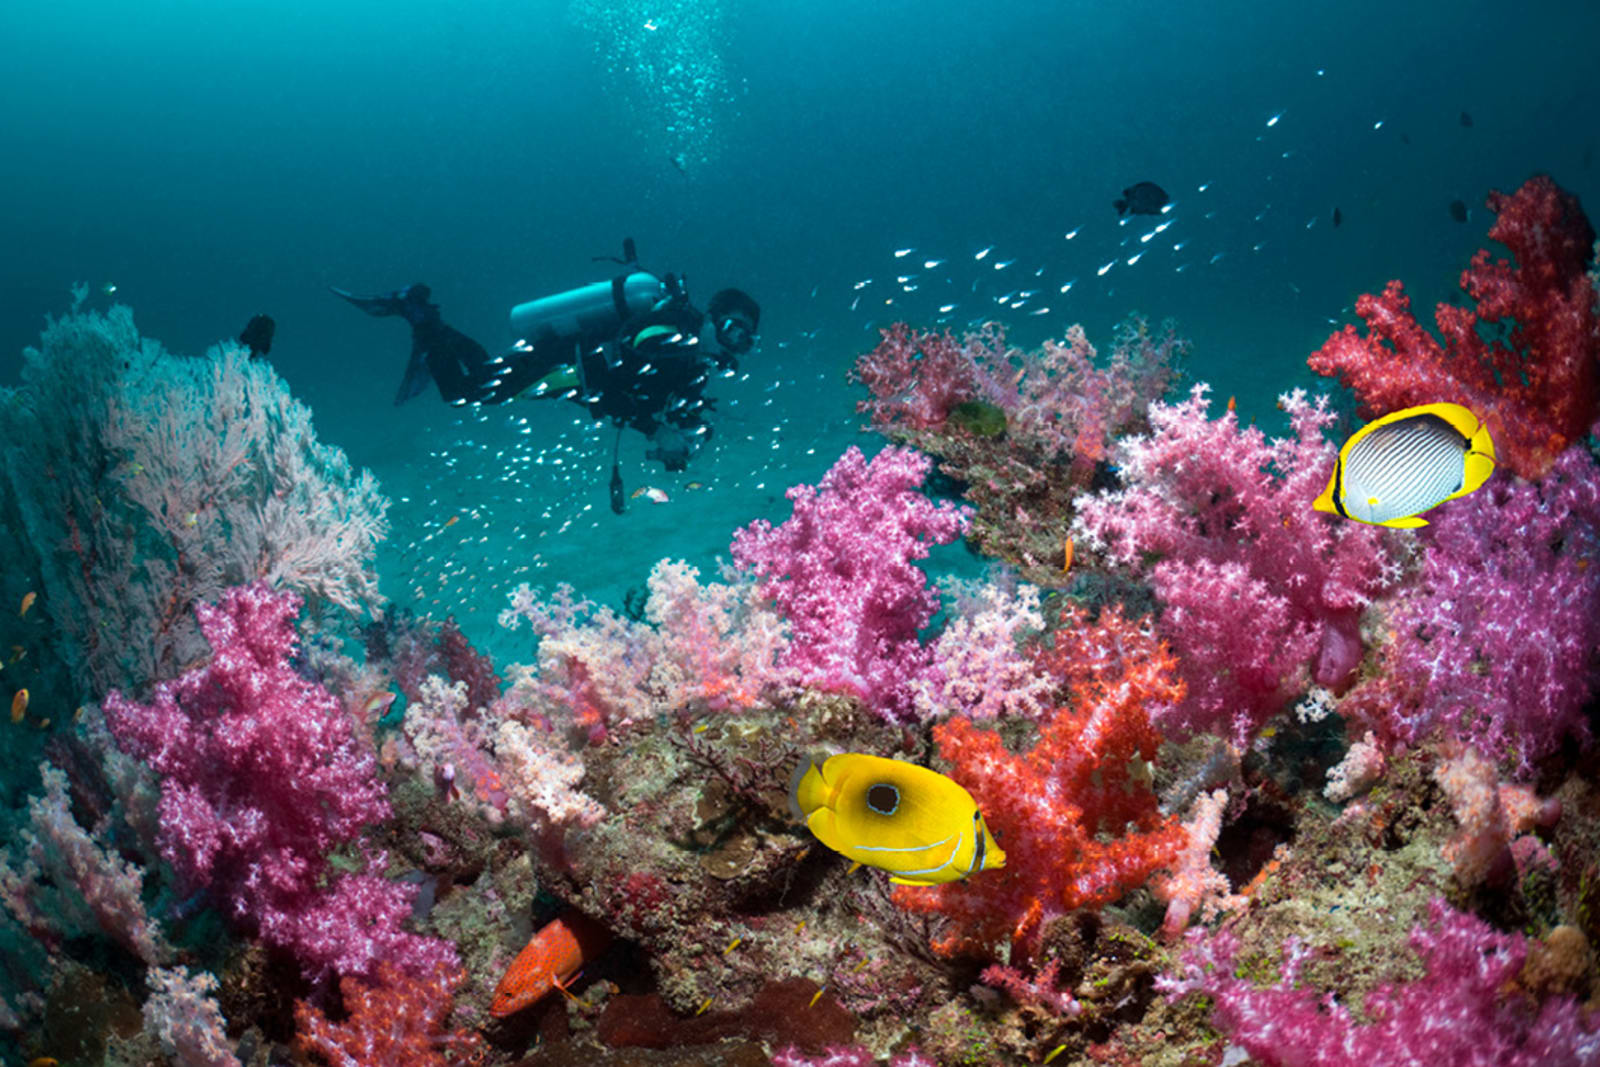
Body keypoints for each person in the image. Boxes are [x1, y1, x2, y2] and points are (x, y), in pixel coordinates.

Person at [334, 240, 759, 479]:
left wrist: (686, 435)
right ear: (717, 319)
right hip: (560, 363)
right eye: (734, 330)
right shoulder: (673, 327)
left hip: (567, 378)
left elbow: (658, 402)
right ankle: (420, 314)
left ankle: (430, 324)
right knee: (463, 393)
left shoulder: (694, 364)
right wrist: (655, 427)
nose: (736, 343)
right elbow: (629, 361)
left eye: (746, 339)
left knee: (481, 386)